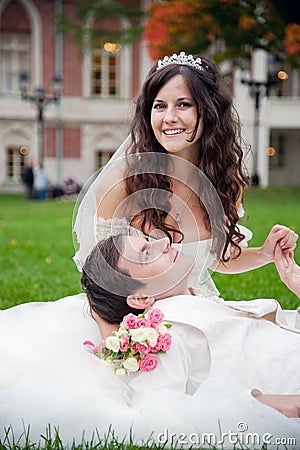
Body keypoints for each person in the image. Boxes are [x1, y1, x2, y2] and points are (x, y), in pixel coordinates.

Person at [1, 234, 300, 449]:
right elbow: (161, 410)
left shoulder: (196, 305)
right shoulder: (164, 331)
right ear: (141, 298)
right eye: (147, 252)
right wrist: (260, 402)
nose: (165, 241)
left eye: (149, 240)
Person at [73, 51, 298, 301]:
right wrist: (130, 336)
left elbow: (215, 258)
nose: (169, 118)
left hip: (196, 306)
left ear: (209, 111)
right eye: (160, 106)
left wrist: (265, 253)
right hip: (133, 317)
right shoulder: (124, 183)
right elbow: (99, 281)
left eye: (183, 104)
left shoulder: (224, 182)